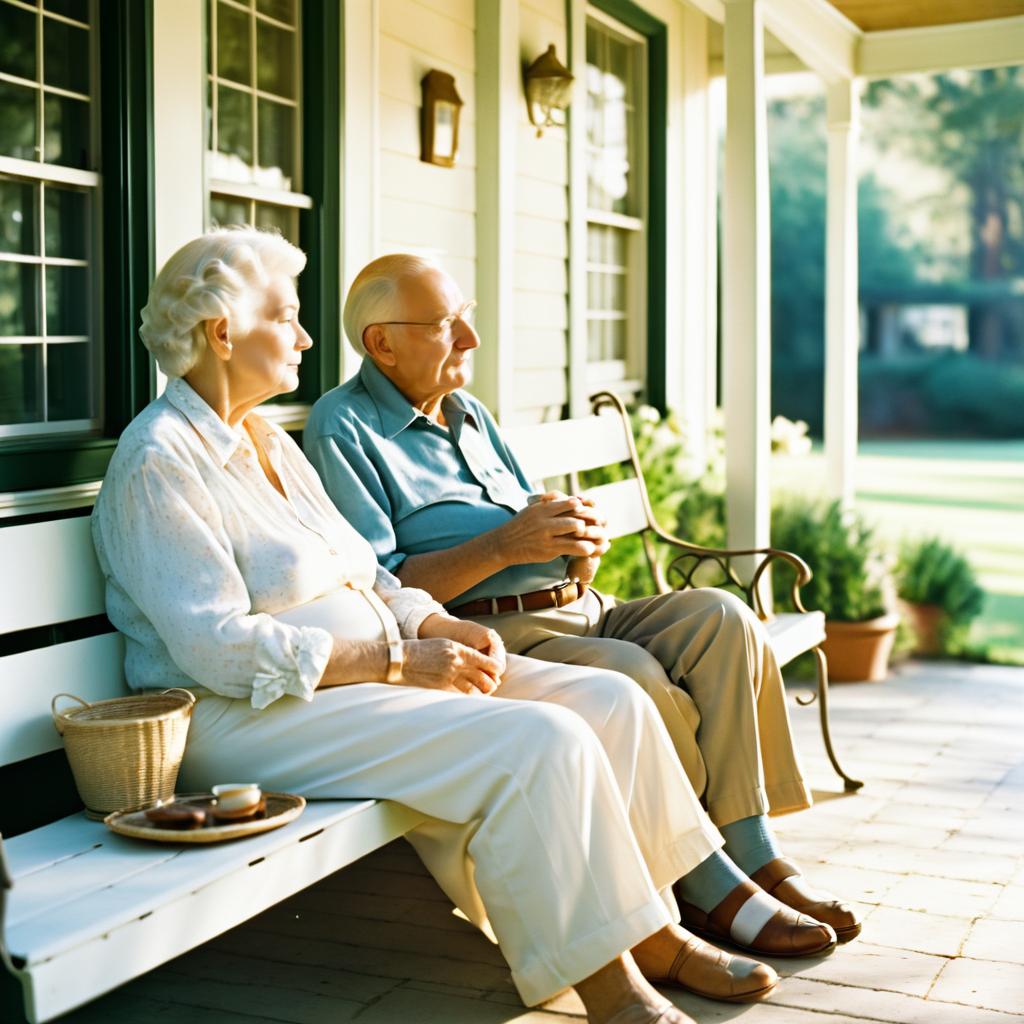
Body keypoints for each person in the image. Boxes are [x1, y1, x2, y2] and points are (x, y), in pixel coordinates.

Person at [91, 229, 834, 1024]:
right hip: (245, 712)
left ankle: (658, 929)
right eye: (288, 318)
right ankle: (613, 986)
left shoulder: (267, 439)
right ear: (224, 332)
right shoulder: (159, 460)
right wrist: (396, 658)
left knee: (610, 705)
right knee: (540, 741)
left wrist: (437, 622)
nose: (308, 337)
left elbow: (367, 573)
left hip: (363, 668)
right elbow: (215, 648)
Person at [304, 253, 862, 952]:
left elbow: (524, 513)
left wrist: (575, 541)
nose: (470, 342)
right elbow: (381, 586)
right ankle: (700, 885)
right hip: (499, 634)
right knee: (632, 674)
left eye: (465, 321)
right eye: (448, 327)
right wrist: (505, 547)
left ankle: (753, 855)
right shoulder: (344, 428)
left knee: (723, 617)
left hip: (584, 601)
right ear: (381, 342)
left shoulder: (470, 412)